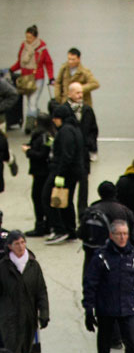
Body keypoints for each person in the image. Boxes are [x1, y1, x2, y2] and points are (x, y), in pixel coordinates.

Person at [83, 220, 134, 353]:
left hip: (127, 308)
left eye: (125, 233)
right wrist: (89, 308)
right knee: (104, 348)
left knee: (132, 345)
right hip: (106, 309)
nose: (122, 237)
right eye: (118, 234)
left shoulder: (133, 255)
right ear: (111, 235)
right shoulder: (101, 257)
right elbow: (90, 283)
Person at [0, 230, 49, 353]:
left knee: (25, 345)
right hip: (9, 315)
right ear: (9, 246)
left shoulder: (33, 265)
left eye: (23, 242)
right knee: (12, 346)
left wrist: (44, 313)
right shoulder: (3, 267)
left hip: (29, 315)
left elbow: (41, 290)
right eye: (16, 244)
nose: (21, 247)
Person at [43, 104, 84, 244]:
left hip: (63, 171)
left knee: (49, 197)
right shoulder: (74, 129)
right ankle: (70, 229)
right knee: (67, 200)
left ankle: (59, 229)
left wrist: (60, 174)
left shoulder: (65, 131)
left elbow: (67, 155)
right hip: (73, 172)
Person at [10, 24, 54, 134]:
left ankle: (29, 126)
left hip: (37, 78)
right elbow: (20, 62)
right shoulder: (23, 46)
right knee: (30, 102)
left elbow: (48, 63)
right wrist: (11, 69)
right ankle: (37, 118)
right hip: (25, 78)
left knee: (33, 101)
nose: (28, 40)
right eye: (27, 37)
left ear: (35, 37)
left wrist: (51, 77)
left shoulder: (42, 49)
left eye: (30, 37)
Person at [66, 81, 98, 213]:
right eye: (77, 93)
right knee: (70, 186)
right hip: (70, 155)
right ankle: (69, 211)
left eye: (81, 93)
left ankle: (82, 211)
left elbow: (93, 129)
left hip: (83, 154)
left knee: (84, 185)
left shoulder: (87, 110)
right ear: (70, 93)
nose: (80, 95)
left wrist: (91, 146)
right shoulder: (65, 111)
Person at [21, 113, 54, 236]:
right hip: (44, 171)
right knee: (43, 198)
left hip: (41, 172)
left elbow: (41, 155)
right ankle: (48, 224)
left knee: (38, 197)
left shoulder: (42, 137)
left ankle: (40, 225)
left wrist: (28, 151)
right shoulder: (49, 136)